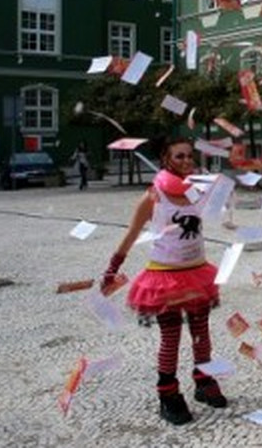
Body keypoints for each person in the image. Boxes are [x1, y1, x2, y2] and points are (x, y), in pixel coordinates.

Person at [100, 137, 225, 425]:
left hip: (197, 273)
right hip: (165, 278)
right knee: (171, 338)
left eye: (189, 157)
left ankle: (204, 382)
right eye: (179, 157)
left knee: (201, 334)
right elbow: (132, 233)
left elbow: (217, 208)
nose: (186, 161)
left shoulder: (195, 191)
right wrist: (112, 268)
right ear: (166, 159)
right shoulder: (153, 195)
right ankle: (168, 394)